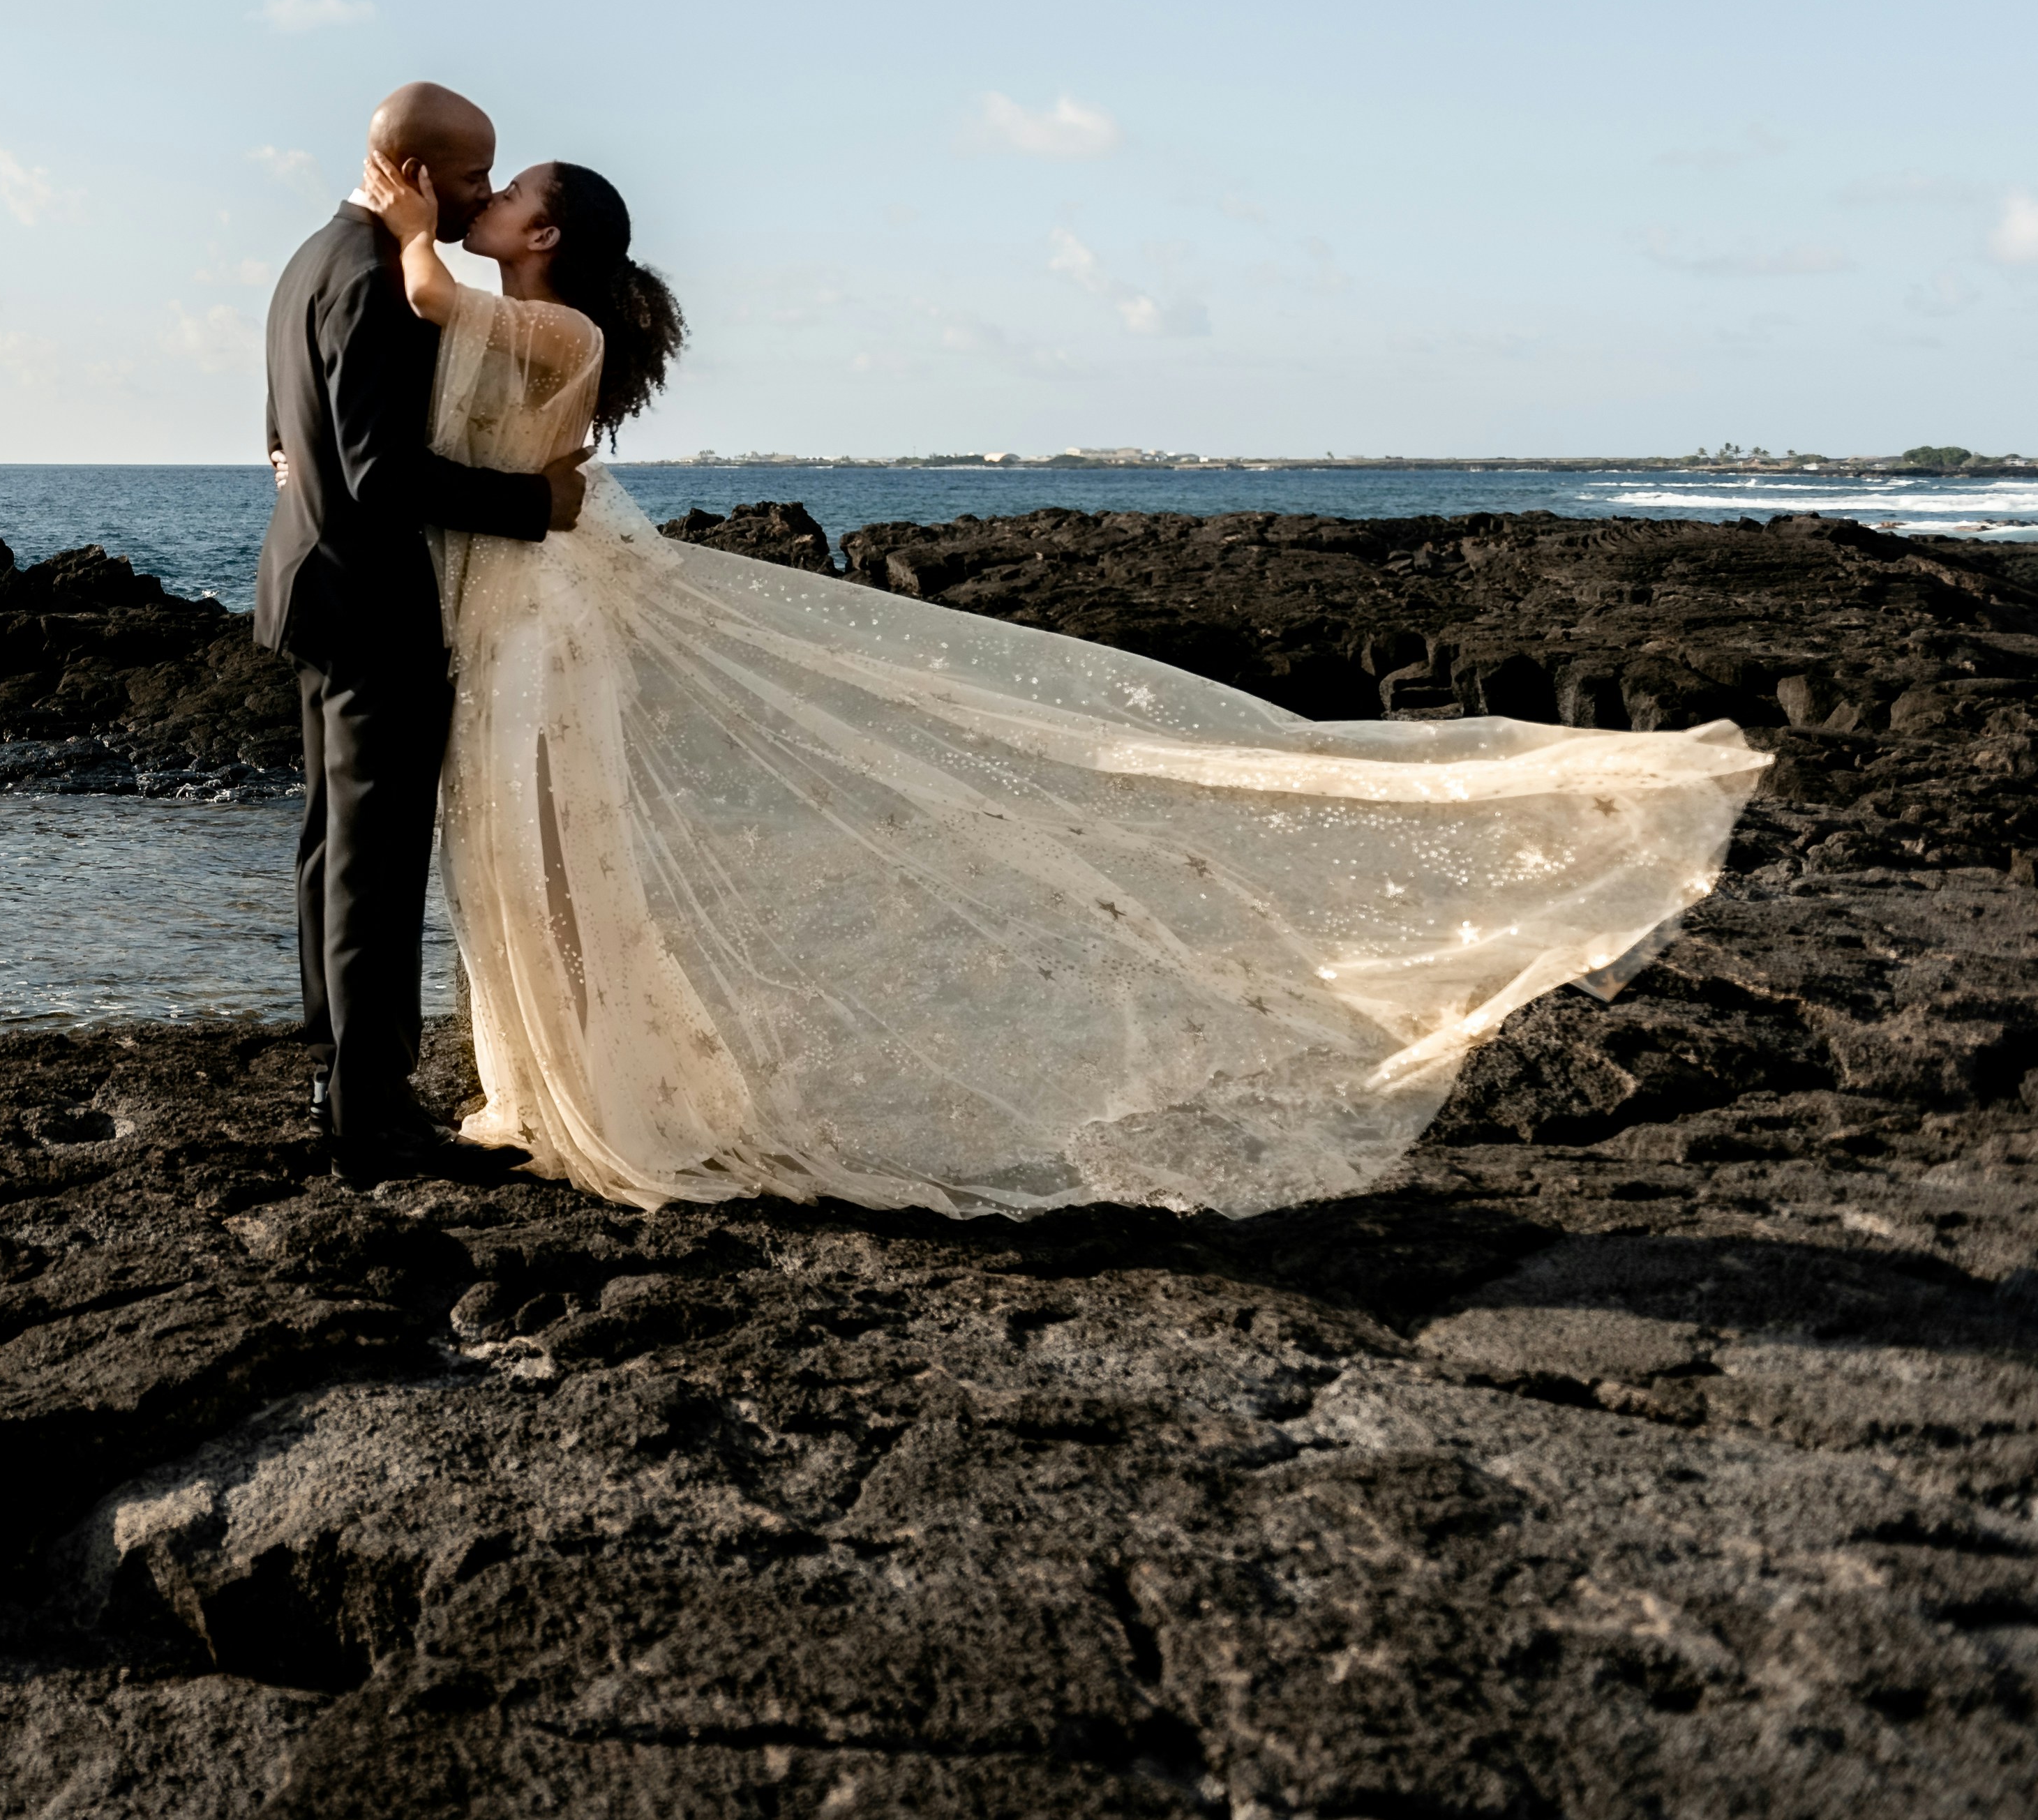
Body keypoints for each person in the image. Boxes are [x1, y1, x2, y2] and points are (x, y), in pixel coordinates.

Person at [352, 144, 1768, 1216]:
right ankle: (547, 1081)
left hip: (540, 613)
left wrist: (405, 221)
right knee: (518, 852)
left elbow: (425, 294)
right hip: (514, 597)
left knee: (553, 848)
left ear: (536, 234)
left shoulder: (559, 328)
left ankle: (596, 1091)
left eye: (497, 196)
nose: (474, 205)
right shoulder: (532, 314)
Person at [256, 83, 583, 1183]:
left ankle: (328, 1062)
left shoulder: (312, 257)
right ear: (419, 172)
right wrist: (534, 506)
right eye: (476, 178)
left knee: (328, 838)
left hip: (305, 585)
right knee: (376, 863)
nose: (483, 194)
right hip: (369, 599)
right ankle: (369, 1115)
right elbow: (381, 473)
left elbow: (282, 436)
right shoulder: (379, 283)